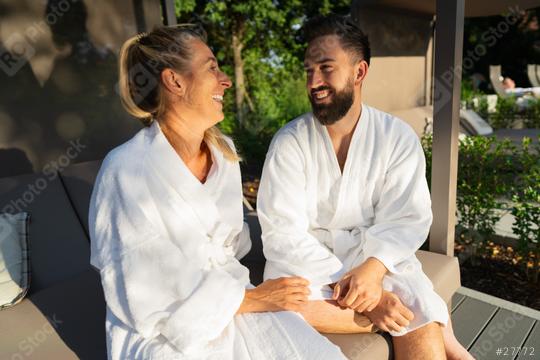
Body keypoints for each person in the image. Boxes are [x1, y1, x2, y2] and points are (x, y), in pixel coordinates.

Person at [89, 24, 346, 359]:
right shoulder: (125, 170)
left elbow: (231, 245)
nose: (225, 79)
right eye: (212, 68)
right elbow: (143, 287)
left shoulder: (223, 153)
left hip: (234, 296)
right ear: (175, 81)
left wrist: (251, 296)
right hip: (165, 332)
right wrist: (253, 300)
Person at [257, 15, 473, 360]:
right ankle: (409, 320)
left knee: (417, 318)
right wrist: (368, 297)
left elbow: (409, 217)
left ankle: (414, 319)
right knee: (283, 308)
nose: (314, 81)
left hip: (378, 258)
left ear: (359, 72)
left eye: (326, 68)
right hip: (308, 265)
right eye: (308, 70)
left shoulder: (396, 137)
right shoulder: (289, 143)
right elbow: (282, 234)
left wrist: (372, 272)